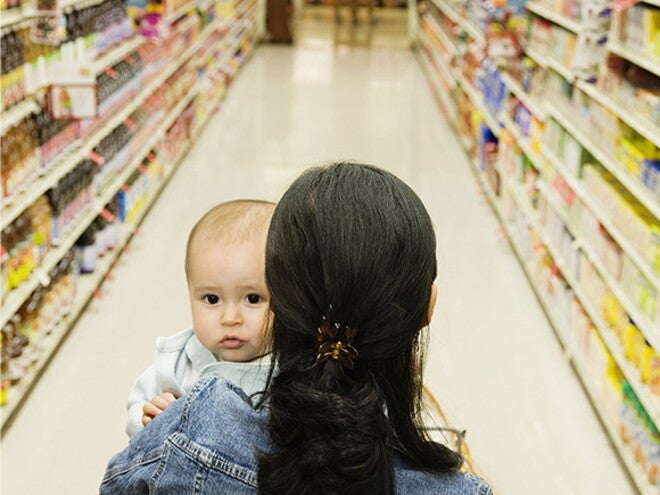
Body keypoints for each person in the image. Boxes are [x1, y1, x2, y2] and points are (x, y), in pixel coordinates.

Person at [101, 162, 493, 494]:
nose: (230, 317)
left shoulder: (190, 429)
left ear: (283, 304)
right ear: (428, 307)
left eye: (252, 298)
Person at [125, 199, 275, 438]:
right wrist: (146, 418)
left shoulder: (288, 366)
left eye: (253, 299)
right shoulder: (178, 362)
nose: (230, 318)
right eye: (212, 299)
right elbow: (137, 405)